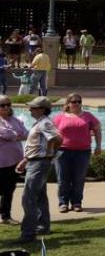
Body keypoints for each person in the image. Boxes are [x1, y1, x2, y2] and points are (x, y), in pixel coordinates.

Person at [16, 96, 61, 242]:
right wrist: (26, 159)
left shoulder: (45, 123)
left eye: (33, 107)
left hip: (39, 164)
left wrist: (49, 153)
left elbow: (58, 139)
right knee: (40, 196)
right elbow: (39, 145)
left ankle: (28, 233)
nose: (30, 109)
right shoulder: (40, 123)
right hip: (36, 162)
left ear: (42, 109)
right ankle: (42, 226)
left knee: (28, 198)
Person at [52, 93, 101, 212]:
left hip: (83, 152)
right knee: (63, 179)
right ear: (68, 103)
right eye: (74, 101)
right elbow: (52, 134)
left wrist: (98, 146)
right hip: (63, 151)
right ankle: (63, 203)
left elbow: (97, 130)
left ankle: (77, 202)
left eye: (79, 101)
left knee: (79, 179)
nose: (77, 104)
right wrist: (51, 150)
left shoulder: (88, 116)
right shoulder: (59, 117)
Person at [0, 96, 25, 225]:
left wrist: (14, 135)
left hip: (15, 161)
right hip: (1, 162)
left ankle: (5, 216)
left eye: (8, 104)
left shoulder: (15, 120)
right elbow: (4, 134)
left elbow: (25, 133)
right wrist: (16, 134)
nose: (6, 107)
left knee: (9, 190)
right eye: (2, 105)